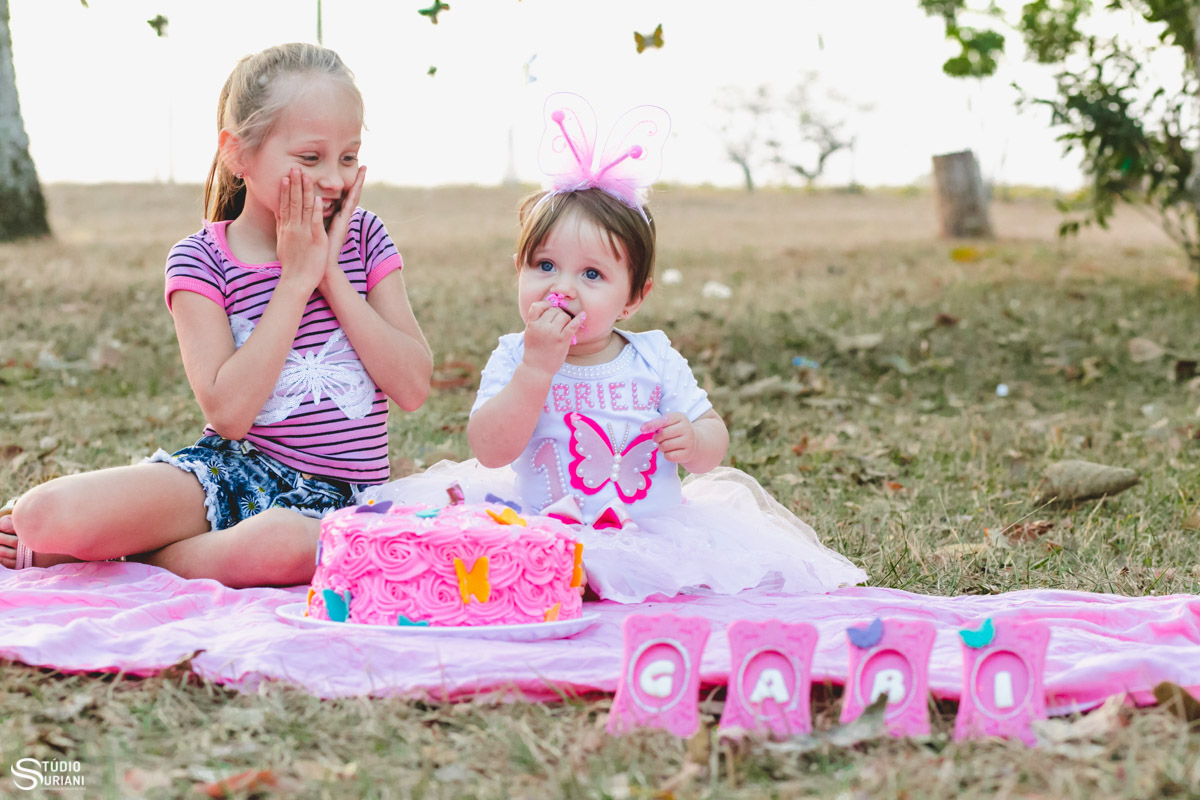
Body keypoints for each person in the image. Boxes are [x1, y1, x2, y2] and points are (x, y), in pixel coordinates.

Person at [362, 93, 864, 602]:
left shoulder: (652, 357)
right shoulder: (517, 355)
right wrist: (537, 369)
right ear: (519, 268)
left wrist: (693, 439)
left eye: (593, 274)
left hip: (648, 530)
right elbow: (490, 451)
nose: (562, 288)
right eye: (544, 265)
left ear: (633, 298)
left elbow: (712, 440)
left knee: (671, 583)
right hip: (544, 525)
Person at [0, 43, 432, 587]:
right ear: (238, 154)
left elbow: (413, 386)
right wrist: (294, 283)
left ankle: (140, 561)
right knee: (42, 515)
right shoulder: (200, 261)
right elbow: (229, 414)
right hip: (231, 470)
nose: (334, 181)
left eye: (348, 158)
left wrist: (328, 275)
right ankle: (136, 544)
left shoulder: (364, 238)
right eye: (309, 158)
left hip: (334, 503)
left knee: (283, 543)